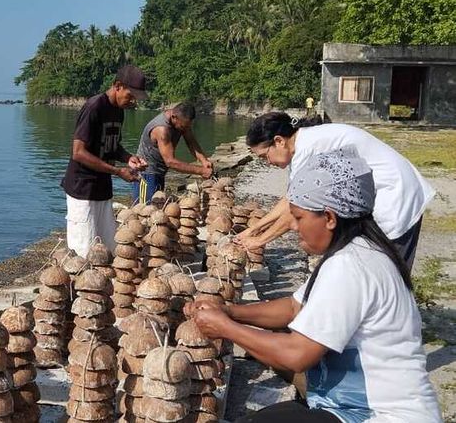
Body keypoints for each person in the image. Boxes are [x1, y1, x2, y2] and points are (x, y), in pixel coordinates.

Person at [188, 148, 442, 423]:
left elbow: (297, 355)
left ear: (330, 218)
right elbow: (295, 307)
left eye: (299, 218)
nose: (294, 228)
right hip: (346, 406)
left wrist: (225, 328)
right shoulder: (356, 250)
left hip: (380, 415)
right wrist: (230, 310)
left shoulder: (351, 266)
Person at [235, 112, 434, 270]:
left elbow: (295, 209)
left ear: (279, 141)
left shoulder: (308, 148)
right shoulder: (303, 145)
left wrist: (259, 240)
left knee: (388, 268)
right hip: (379, 192)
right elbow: (290, 199)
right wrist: (253, 230)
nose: (267, 163)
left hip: (395, 193)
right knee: (368, 263)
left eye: (264, 156)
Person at [60, 65, 148, 259]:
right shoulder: (94, 107)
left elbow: (112, 145)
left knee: (107, 248)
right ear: (118, 86)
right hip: (83, 189)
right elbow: (78, 152)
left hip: (102, 189)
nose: (133, 101)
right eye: (130, 96)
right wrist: (118, 172)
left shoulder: (119, 111)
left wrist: (128, 158)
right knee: (83, 251)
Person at [132, 102, 213, 204]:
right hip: (147, 173)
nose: (185, 129)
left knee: (159, 208)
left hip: (160, 172)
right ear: (174, 117)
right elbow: (170, 162)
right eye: (183, 127)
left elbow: (191, 141)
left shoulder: (181, 122)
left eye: (188, 126)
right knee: (144, 209)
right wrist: (201, 171)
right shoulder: (162, 130)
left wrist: (203, 160)